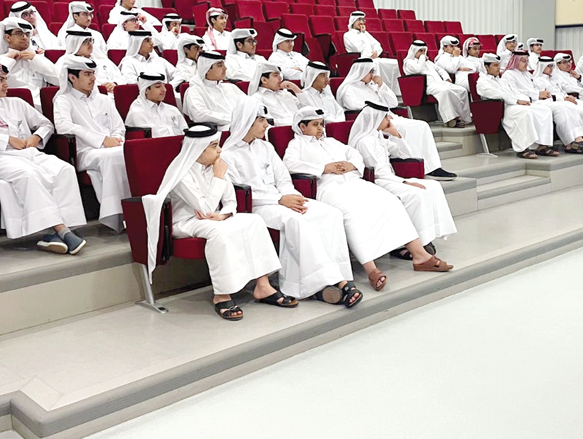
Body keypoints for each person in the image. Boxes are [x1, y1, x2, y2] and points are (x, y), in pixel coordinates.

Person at [285, 107, 450, 287]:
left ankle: (420, 256)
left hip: (355, 183)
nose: (320, 129)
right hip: (330, 187)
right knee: (353, 214)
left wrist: (351, 164)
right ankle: (371, 270)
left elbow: (354, 154)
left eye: (321, 124)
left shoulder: (331, 142)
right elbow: (290, 163)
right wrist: (324, 168)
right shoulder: (297, 145)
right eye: (315, 125)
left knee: (391, 202)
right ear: (302, 127)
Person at [143, 125, 288, 320]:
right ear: (198, 149)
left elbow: (230, 201)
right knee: (218, 232)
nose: (219, 150)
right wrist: (218, 178)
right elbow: (204, 209)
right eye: (214, 146)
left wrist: (225, 214)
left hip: (214, 218)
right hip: (186, 222)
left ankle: (263, 285)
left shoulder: (216, 164)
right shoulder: (181, 173)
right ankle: (222, 295)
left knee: (254, 221)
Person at [221, 98, 354, 304]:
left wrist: (292, 197)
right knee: (296, 221)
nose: (266, 125)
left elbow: (283, 178)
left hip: (283, 199)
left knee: (330, 214)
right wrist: (280, 199)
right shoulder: (228, 155)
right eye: (261, 120)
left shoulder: (266, 147)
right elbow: (240, 193)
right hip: (257, 207)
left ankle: (327, 278)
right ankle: (337, 282)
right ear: (247, 121)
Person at [0, 60, 88, 252]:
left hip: (30, 151)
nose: (6, 84)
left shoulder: (16, 103)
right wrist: (7, 139)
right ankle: (60, 229)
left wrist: (37, 136)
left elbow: (46, 124)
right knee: (28, 175)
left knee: (64, 169)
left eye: (6, 79)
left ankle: (61, 231)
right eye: (0, 80)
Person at [348, 101, 457, 261]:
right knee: (415, 194)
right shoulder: (364, 141)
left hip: (392, 179)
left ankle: (425, 238)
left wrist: (397, 135)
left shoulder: (378, 137)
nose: (389, 121)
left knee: (433, 187)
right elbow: (376, 173)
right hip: (379, 181)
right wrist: (404, 182)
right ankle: (407, 245)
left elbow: (405, 154)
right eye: (386, 118)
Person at [336, 58, 455, 178]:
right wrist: (381, 115)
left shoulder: (372, 86)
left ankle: (432, 167)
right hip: (374, 122)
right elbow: (355, 106)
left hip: (389, 117)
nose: (372, 75)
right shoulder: (348, 88)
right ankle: (411, 168)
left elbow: (393, 103)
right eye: (370, 71)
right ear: (361, 71)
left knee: (422, 125)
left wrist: (382, 86)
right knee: (404, 129)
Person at [53, 55, 131, 231]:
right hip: (84, 151)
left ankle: (135, 213)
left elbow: (119, 127)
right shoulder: (63, 100)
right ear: (72, 77)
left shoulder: (104, 99)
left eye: (93, 73)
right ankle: (116, 216)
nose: (93, 78)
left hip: (112, 147)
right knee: (112, 157)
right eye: (87, 74)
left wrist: (117, 139)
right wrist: (102, 140)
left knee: (129, 152)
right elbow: (63, 126)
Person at [480, 53, 563, 158]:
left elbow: (514, 91)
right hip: (507, 107)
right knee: (526, 112)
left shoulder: (499, 79)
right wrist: (517, 100)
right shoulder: (485, 81)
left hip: (517, 103)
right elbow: (500, 94)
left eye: (498, 65)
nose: (498, 68)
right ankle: (523, 148)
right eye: (495, 65)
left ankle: (542, 145)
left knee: (544, 110)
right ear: (486, 67)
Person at [527, 56, 583, 154]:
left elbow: (568, 87)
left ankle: (577, 139)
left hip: (560, 100)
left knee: (572, 107)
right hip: (549, 102)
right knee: (565, 107)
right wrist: (563, 98)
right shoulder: (538, 80)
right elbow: (546, 95)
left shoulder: (555, 78)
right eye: (548, 66)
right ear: (542, 67)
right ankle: (571, 142)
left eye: (552, 66)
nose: (551, 69)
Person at [402, 40, 472, 128]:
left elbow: (440, 69)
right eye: (420, 51)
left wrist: (446, 78)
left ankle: (464, 117)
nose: (423, 53)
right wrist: (422, 58)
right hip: (426, 86)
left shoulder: (428, 62)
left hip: (440, 83)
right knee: (445, 92)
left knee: (462, 90)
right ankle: (451, 119)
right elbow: (418, 70)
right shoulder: (409, 62)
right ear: (414, 51)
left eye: (424, 51)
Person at [0, 17, 58, 108]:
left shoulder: (37, 59)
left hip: (37, 107)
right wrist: (9, 60)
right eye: (19, 33)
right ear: (8, 37)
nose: (25, 37)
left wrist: (36, 59)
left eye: (27, 34)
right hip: (7, 107)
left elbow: (59, 80)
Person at [182, 51, 245, 128]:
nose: (225, 68)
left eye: (223, 64)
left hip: (242, 125)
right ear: (207, 69)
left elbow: (248, 104)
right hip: (220, 130)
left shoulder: (231, 87)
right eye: (220, 65)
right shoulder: (195, 91)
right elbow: (200, 114)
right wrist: (232, 119)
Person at [343, 11, 401, 92]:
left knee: (396, 64)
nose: (362, 22)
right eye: (359, 20)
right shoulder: (347, 35)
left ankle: (395, 92)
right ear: (353, 21)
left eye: (363, 20)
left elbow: (377, 45)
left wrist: (376, 52)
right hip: (361, 60)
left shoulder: (365, 33)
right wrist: (362, 35)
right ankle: (377, 91)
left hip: (374, 58)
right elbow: (358, 49)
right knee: (376, 64)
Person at [124, 73, 185, 137]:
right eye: (158, 87)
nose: (164, 90)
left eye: (164, 86)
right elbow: (150, 140)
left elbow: (185, 132)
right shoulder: (138, 111)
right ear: (146, 90)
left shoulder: (173, 110)